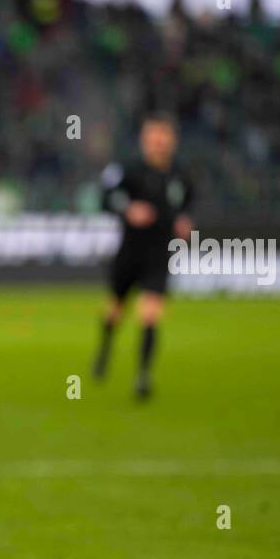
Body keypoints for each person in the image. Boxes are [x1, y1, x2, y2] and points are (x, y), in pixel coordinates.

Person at [93, 113, 194, 400]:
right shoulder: (127, 169)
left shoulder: (181, 174)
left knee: (150, 314)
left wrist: (184, 221)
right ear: (144, 140)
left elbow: (186, 204)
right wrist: (128, 210)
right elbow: (104, 198)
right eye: (153, 138)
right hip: (130, 252)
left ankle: (142, 376)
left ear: (172, 140)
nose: (158, 143)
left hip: (159, 253)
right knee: (114, 309)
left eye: (163, 137)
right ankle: (105, 350)